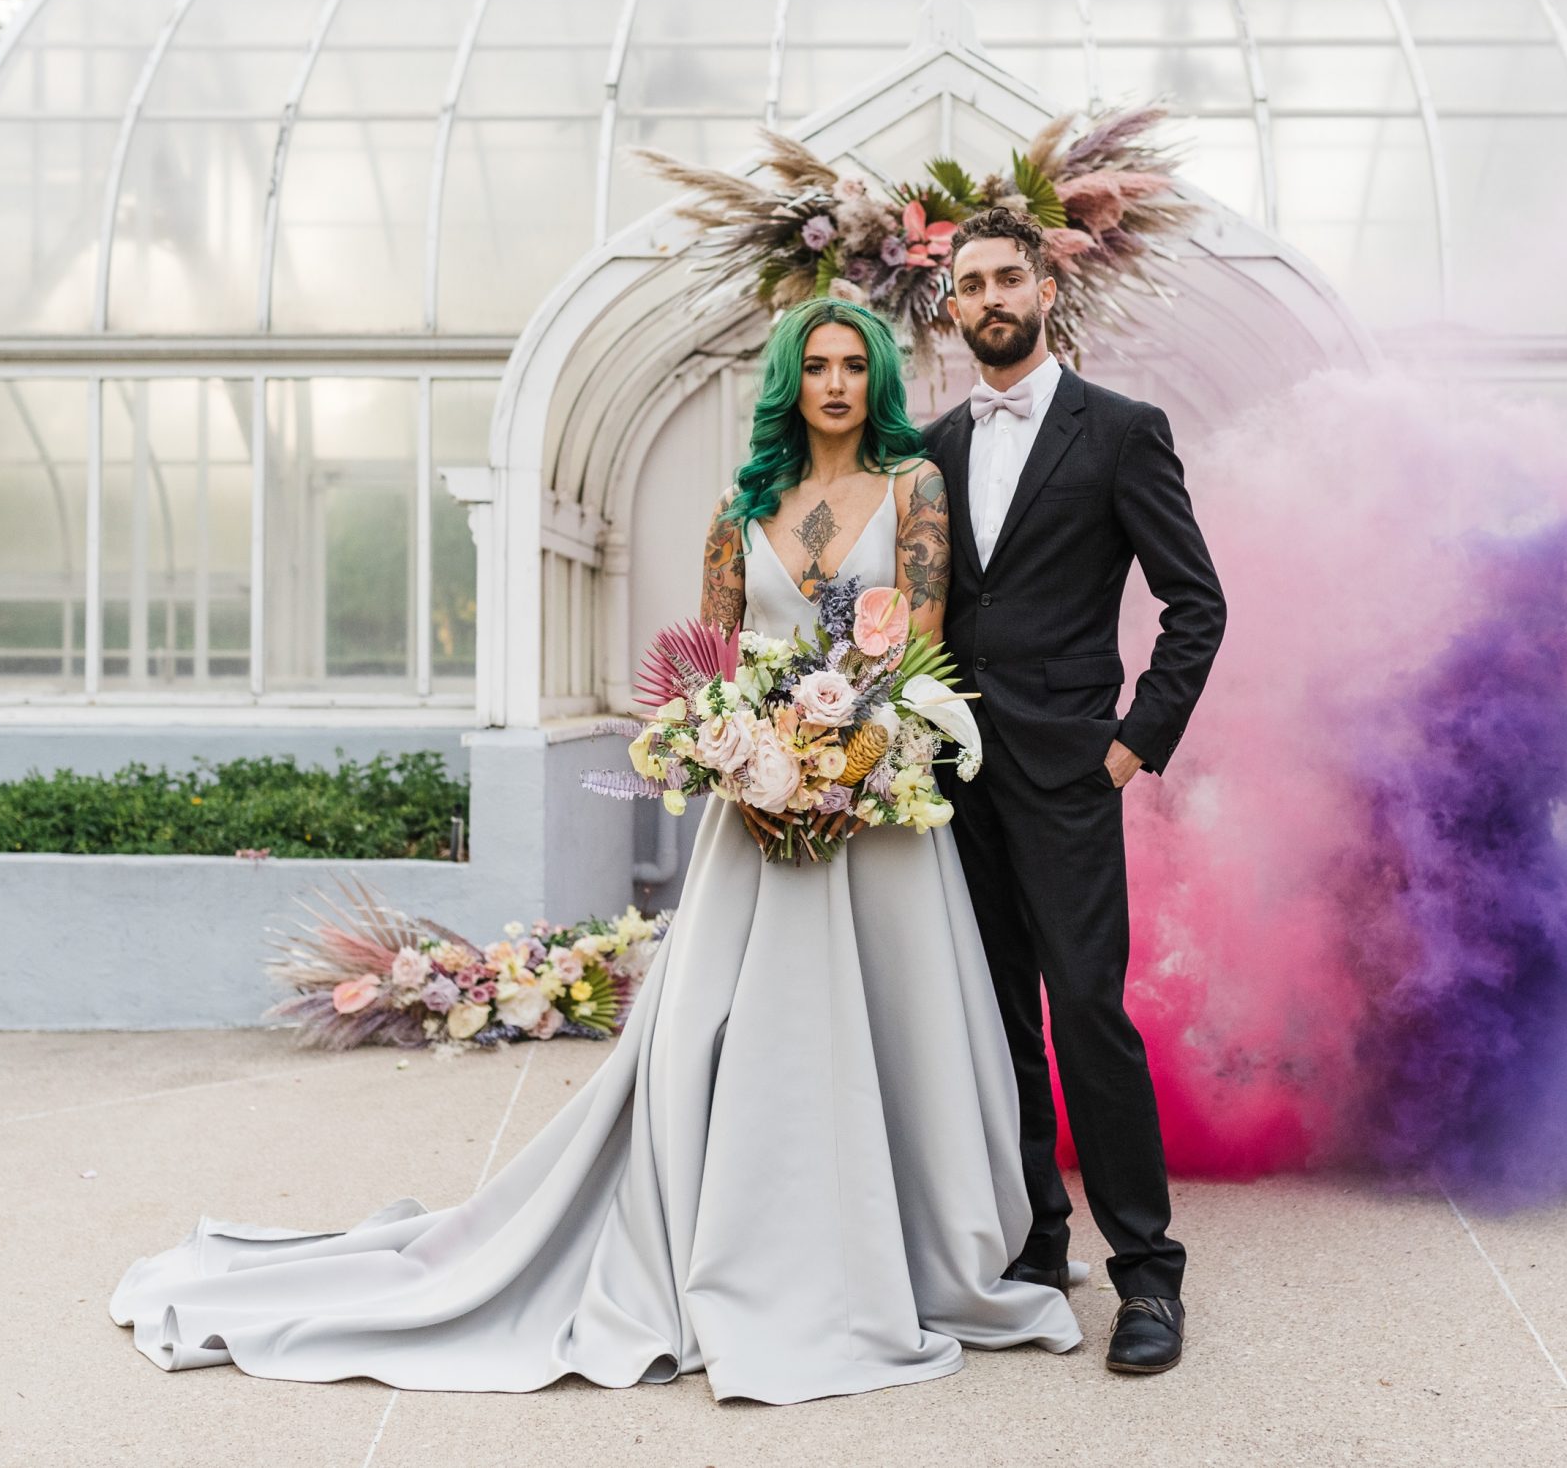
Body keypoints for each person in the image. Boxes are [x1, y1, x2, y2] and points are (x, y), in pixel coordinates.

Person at [109, 297, 1081, 1404]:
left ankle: (907, 1250)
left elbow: (917, 642)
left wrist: (838, 769)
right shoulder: (739, 507)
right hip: (753, 824)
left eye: (854, 364)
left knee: (896, 1028)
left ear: (876, 382)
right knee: (731, 1034)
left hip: (873, 809)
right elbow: (712, 661)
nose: (835, 383)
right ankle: (743, 1245)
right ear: (788, 382)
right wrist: (746, 766)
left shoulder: (914, 490)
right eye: (814, 365)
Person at [919, 206, 1227, 1376]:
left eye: (1008, 276)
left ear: (1046, 289)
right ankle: (1039, 1245)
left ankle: (1148, 1274)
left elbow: (1195, 600)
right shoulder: (934, 448)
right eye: (970, 282)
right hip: (953, 776)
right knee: (996, 1020)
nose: (990, 296)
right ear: (950, 305)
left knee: (1086, 1012)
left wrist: (1132, 742)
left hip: (1068, 768)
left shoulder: (1121, 430)